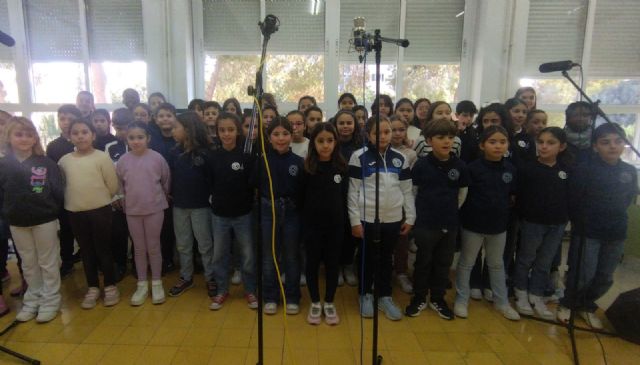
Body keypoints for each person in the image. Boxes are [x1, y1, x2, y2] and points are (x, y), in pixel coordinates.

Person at [557, 123, 638, 329]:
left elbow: (628, 198)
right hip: (588, 229)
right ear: (595, 146)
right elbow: (573, 198)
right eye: (606, 142)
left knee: (605, 276)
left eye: (618, 141)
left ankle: (586, 305)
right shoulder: (585, 170)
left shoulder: (629, 171)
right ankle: (568, 304)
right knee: (583, 272)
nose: (612, 146)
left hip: (616, 230)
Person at [348, 116, 415, 321]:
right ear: (369, 135)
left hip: (393, 218)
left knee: (387, 258)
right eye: (378, 133)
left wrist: (410, 217)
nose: (384, 136)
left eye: (387, 132)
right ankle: (365, 294)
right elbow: (353, 192)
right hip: (367, 219)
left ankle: (385, 295)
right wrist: (355, 221)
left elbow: (406, 190)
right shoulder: (359, 157)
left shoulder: (400, 158)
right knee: (367, 258)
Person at [0, 117, 65, 322]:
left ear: (35, 138)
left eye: (29, 134)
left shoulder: (45, 163)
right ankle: (33, 299)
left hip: (44, 219)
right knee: (28, 262)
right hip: (17, 221)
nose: (24, 139)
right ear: (8, 137)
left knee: (48, 261)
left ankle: (51, 299)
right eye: (19, 134)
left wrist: (53, 211)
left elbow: (57, 191)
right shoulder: (3, 165)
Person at [455, 125, 520, 321]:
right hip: (473, 224)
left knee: (496, 264)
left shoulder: (510, 169)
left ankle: (502, 302)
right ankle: (461, 298)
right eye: (492, 142)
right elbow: (463, 196)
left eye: (502, 142)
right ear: (482, 145)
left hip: (498, 226)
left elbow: (512, 196)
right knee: (467, 262)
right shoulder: (472, 168)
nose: (498, 146)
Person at [405, 120, 469, 320]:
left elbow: (462, 194)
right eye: (441, 138)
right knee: (423, 262)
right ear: (430, 141)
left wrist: (448, 212)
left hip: (449, 223)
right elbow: (413, 193)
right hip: (425, 223)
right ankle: (419, 297)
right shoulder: (421, 165)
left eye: (451, 137)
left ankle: (438, 298)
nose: (447, 142)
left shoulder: (459, 166)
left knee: (444, 263)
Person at [58, 119, 120, 309]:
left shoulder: (102, 157)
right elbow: (62, 186)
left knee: (103, 249)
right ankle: (92, 287)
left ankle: (110, 285)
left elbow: (112, 185)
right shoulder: (64, 161)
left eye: (85, 132)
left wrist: (100, 200)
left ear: (93, 135)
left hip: (100, 210)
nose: (80, 136)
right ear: (70, 137)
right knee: (86, 251)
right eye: (75, 132)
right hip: (75, 212)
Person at [513, 127, 570, 320]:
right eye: (541, 142)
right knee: (525, 258)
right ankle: (520, 292)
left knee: (544, 262)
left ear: (561, 147)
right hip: (532, 222)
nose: (544, 146)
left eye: (550, 143)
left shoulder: (566, 171)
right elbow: (519, 196)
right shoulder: (528, 168)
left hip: (557, 223)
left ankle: (536, 294)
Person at [253, 117, 304, 315]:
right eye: (276, 134)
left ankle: (292, 296)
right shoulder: (262, 161)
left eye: (285, 134)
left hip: (291, 212)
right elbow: (255, 186)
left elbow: (302, 191)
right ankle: (271, 296)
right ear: (269, 137)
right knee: (269, 256)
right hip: (267, 211)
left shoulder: (299, 162)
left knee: (291, 256)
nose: (281, 138)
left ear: (292, 136)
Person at [117, 122, 170, 306]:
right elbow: (120, 186)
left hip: (155, 209)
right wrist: (125, 203)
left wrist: (159, 198)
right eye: (132, 138)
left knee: (154, 247)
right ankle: (141, 284)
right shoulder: (123, 161)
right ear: (127, 139)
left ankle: (156, 282)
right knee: (139, 248)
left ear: (148, 138)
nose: (136, 141)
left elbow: (166, 181)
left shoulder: (157, 158)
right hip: (132, 210)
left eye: (140, 137)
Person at [207, 112, 257, 310]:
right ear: (217, 132)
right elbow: (210, 182)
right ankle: (221, 290)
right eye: (222, 130)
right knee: (219, 255)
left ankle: (250, 289)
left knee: (247, 255)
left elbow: (251, 183)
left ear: (238, 131)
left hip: (243, 214)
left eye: (230, 130)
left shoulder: (246, 155)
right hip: (219, 215)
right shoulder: (213, 156)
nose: (226, 134)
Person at [166, 113, 215, 302]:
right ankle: (186, 277)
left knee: (205, 244)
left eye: (175, 127)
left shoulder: (206, 152)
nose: (172, 131)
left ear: (188, 129)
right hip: (179, 205)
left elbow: (212, 180)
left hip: (201, 206)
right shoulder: (173, 152)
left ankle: (211, 277)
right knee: (183, 244)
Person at [302, 123, 347, 325]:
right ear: (313, 143)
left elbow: (346, 198)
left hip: (335, 227)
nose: (326, 145)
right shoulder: (307, 168)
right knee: (311, 264)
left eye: (330, 140)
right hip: (312, 227)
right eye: (321, 141)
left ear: (335, 142)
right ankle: (315, 301)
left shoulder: (341, 168)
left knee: (332, 265)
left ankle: (329, 301)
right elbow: (300, 197)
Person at [46, 104, 83, 278]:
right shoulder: (53, 146)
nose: (66, 122)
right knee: (66, 230)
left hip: (85, 193)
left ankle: (91, 258)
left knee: (87, 229)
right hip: (63, 196)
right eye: (62, 118)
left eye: (70, 118)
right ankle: (66, 261)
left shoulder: (85, 140)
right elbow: (51, 174)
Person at [331, 110, 362, 287]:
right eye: (341, 123)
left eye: (349, 123)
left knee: (351, 235)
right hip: (335, 196)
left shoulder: (361, 145)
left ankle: (348, 266)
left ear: (355, 125)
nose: (345, 126)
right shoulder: (331, 143)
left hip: (355, 197)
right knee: (336, 235)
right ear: (335, 125)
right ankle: (335, 268)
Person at [389, 115, 417, 294]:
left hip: (402, 204)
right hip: (383, 204)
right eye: (393, 130)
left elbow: (411, 186)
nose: (397, 133)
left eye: (401, 130)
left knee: (401, 242)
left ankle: (401, 273)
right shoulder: (376, 151)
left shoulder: (411, 154)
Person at [104, 108, 133, 279]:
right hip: (117, 200)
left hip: (137, 199)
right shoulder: (110, 147)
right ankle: (121, 264)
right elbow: (108, 175)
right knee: (119, 234)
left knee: (137, 235)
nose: (121, 132)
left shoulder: (140, 143)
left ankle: (138, 264)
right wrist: (114, 196)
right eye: (117, 128)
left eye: (124, 128)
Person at [564, 101, 594, 166]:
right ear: (568, 118)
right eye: (575, 115)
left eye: (585, 115)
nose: (580, 119)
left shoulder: (597, 137)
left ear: (591, 118)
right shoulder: (559, 137)